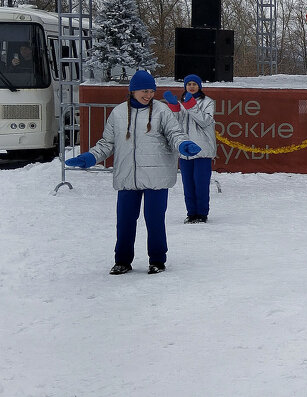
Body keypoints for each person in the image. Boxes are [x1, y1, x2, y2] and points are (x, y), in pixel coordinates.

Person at [64, 70, 202, 275]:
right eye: (144, 91)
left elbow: (175, 134)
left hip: (157, 176)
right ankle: (122, 260)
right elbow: (107, 144)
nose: (148, 95)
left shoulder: (162, 111)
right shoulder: (118, 113)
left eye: (151, 91)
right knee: (125, 221)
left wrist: (184, 145)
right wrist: (90, 157)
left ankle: (157, 260)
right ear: (133, 91)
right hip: (128, 176)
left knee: (154, 220)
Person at [163, 74, 216, 224]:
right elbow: (175, 123)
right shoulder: (182, 103)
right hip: (185, 150)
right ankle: (191, 213)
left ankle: (202, 214)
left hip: (202, 149)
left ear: (199, 86)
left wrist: (191, 106)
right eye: (188, 84)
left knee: (201, 184)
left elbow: (205, 121)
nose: (191, 86)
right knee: (188, 185)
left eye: (194, 84)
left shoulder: (208, 102)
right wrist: (174, 107)